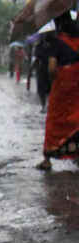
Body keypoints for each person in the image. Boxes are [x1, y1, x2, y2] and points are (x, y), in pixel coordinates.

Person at [36, 12, 79, 171]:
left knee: (55, 119)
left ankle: (47, 159)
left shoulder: (57, 41)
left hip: (62, 85)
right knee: (76, 117)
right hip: (77, 85)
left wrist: (52, 77)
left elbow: (52, 68)